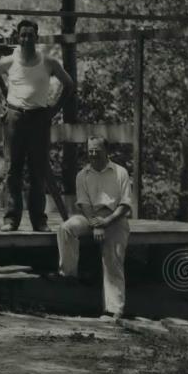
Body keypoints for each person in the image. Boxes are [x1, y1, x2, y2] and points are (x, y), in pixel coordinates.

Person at [0, 19, 74, 232]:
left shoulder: (48, 62)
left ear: (36, 37)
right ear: (17, 37)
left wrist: (55, 109)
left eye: (30, 35)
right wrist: (2, 100)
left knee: (37, 169)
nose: (26, 39)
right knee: (13, 168)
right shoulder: (9, 61)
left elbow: (69, 84)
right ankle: (11, 219)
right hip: (15, 118)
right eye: (23, 35)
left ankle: (39, 221)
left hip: (39, 118)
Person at [55, 137, 132, 321]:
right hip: (90, 216)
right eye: (90, 150)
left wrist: (107, 222)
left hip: (115, 219)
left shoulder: (120, 172)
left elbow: (125, 205)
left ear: (106, 151)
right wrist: (96, 224)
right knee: (66, 228)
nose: (93, 154)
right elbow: (83, 203)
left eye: (97, 150)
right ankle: (68, 274)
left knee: (112, 260)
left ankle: (114, 310)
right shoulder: (83, 175)